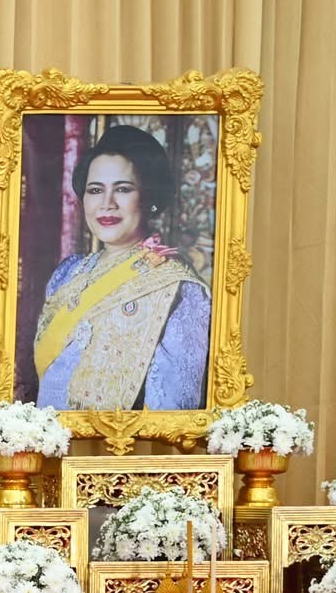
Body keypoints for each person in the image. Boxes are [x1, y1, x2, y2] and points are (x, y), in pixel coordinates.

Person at [31, 123, 211, 411]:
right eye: (95, 190)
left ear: (149, 198)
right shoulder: (67, 274)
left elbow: (171, 413)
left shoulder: (178, 288)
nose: (106, 203)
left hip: (120, 452)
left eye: (123, 189)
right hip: (52, 448)